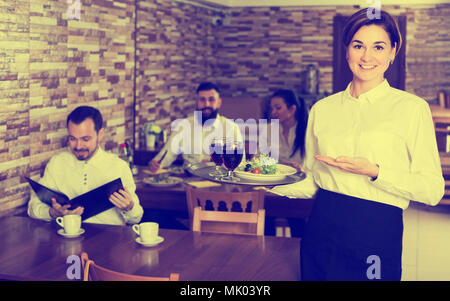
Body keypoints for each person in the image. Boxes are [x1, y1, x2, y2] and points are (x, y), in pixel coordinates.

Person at [270, 8, 444, 280]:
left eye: (378, 47)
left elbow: (432, 190)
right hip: (321, 229)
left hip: (376, 231)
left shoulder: (412, 109)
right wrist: (263, 179)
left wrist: (375, 171)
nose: (367, 56)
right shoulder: (322, 109)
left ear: (392, 52)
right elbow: (314, 181)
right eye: (358, 45)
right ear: (346, 50)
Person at [28, 106, 144, 225]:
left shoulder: (119, 167)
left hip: (110, 239)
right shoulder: (57, 163)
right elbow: (32, 207)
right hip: (67, 239)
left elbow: (137, 218)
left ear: (100, 134)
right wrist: (52, 213)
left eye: (85, 139)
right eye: (73, 139)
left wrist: (129, 207)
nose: (78, 146)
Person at [148, 82, 244, 172]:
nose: (206, 104)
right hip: (188, 182)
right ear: (196, 102)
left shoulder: (231, 128)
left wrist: (215, 165)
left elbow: (240, 165)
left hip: (220, 183)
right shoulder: (183, 126)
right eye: (202, 99)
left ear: (219, 102)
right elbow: (165, 156)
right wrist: (155, 164)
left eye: (211, 100)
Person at [267, 89, 308, 171]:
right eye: (272, 109)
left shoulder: (307, 129)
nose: (273, 112)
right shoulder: (269, 129)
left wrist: (301, 169)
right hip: (278, 178)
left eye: (278, 108)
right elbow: (258, 158)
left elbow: (315, 164)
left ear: (292, 109)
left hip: (303, 178)